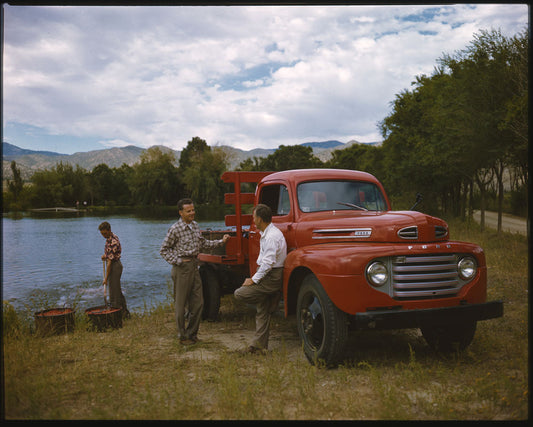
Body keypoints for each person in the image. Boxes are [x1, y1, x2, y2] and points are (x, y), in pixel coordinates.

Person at [160, 198, 230, 345]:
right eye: (188, 211)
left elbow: (203, 244)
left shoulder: (195, 226)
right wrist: (179, 261)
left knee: (198, 303)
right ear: (181, 212)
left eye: (193, 210)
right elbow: (164, 250)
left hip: (194, 266)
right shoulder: (175, 229)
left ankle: (192, 334)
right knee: (180, 305)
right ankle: (182, 336)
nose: (192, 213)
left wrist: (221, 242)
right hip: (182, 269)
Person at [234, 204, 287, 354]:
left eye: (253, 217)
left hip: (272, 276)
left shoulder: (271, 236)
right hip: (268, 274)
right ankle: (258, 346)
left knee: (240, 293)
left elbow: (269, 263)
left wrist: (254, 279)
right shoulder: (268, 233)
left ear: (259, 219)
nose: (253, 219)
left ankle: (274, 294)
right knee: (262, 310)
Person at [98, 221, 130, 319]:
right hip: (112, 264)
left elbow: (110, 262)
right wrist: (105, 256)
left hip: (115, 266)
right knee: (117, 291)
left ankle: (117, 316)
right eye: (102, 234)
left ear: (109, 230)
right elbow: (110, 254)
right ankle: (125, 313)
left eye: (105, 233)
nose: (103, 235)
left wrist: (106, 278)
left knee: (114, 293)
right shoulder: (109, 238)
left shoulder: (113, 241)